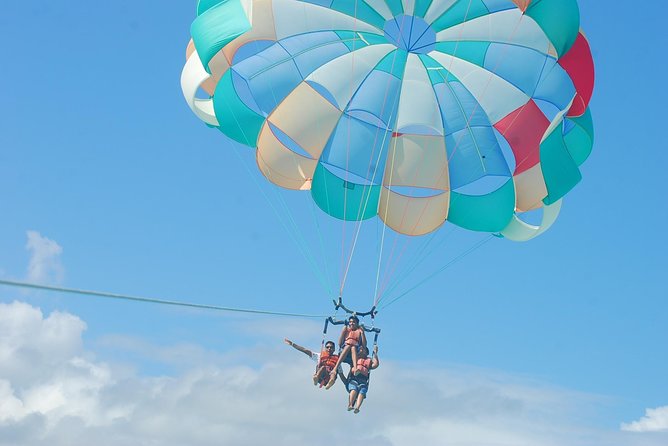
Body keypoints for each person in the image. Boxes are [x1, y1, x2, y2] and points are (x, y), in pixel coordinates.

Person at [327, 315, 367, 387]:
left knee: (353, 347)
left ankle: (355, 368)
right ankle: (335, 368)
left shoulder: (359, 331)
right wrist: (343, 331)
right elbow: (340, 343)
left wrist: (363, 333)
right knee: (349, 346)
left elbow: (364, 345)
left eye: (354, 322)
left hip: (354, 353)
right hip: (344, 350)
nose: (351, 323)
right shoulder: (346, 330)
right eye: (350, 322)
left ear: (357, 324)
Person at [338, 344, 379, 413]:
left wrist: (375, 354)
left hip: (362, 379)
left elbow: (375, 365)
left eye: (363, 350)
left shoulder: (366, 360)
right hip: (354, 378)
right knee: (356, 390)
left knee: (359, 391)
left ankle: (356, 407)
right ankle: (352, 405)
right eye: (360, 349)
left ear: (366, 353)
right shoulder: (354, 359)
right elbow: (376, 364)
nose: (361, 350)